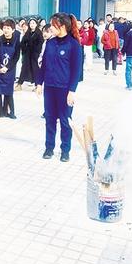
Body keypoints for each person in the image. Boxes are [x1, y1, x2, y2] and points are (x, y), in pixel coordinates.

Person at [36, 13, 82, 162]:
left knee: (65, 121)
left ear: (61, 26)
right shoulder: (50, 43)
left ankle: (65, 150)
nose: (50, 27)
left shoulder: (74, 45)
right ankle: (49, 148)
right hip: (50, 87)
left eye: (53, 25)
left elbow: (76, 70)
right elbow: (44, 65)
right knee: (49, 119)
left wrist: (72, 91)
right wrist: (39, 83)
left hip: (65, 90)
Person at [0, 19, 21, 119]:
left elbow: (16, 57)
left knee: (8, 91)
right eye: (4, 28)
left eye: (8, 28)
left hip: (10, 70)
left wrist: (7, 67)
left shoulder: (16, 41)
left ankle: (9, 112)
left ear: (13, 30)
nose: (6, 30)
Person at [16, 18, 43, 90]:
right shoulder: (28, 32)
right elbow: (23, 42)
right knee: (24, 68)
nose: (32, 25)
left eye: (33, 23)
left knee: (35, 69)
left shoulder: (39, 33)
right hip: (27, 54)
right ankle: (19, 84)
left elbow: (40, 44)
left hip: (34, 55)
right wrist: (24, 50)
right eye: (30, 23)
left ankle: (37, 85)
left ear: (36, 24)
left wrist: (36, 52)